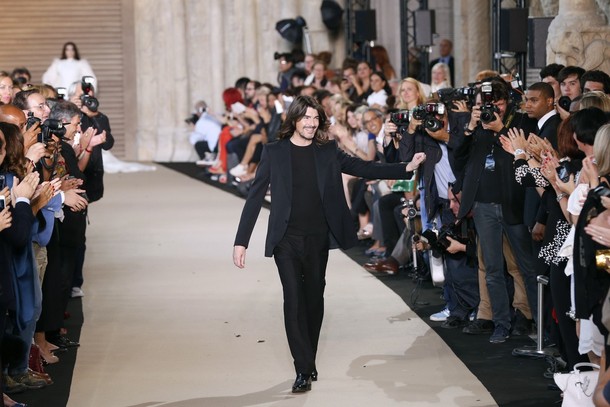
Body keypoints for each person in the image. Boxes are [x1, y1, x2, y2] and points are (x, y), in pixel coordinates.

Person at [232, 95, 425, 393]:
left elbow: (364, 168)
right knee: (293, 300)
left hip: (317, 237)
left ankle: (308, 358)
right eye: (305, 118)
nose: (311, 123)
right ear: (294, 120)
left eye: (315, 118)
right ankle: (302, 368)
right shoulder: (274, 151)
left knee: (314, 299)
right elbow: (256, 195)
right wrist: (241, 241)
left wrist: (405, 166)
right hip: (285, 239)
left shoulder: (328, 151)